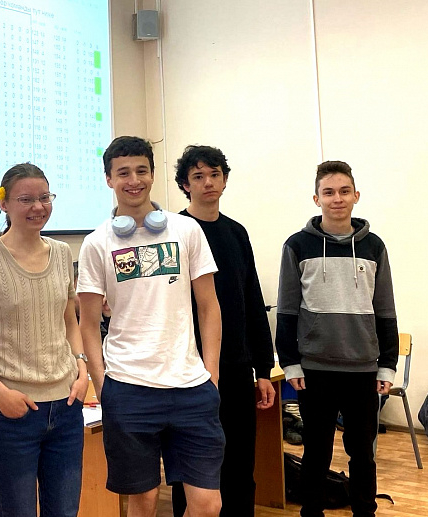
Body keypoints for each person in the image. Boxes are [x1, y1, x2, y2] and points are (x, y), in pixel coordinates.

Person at [77, 136, 225, 517]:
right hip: (129, 388)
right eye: (123, 173)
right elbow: (88, 323)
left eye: (141, 171)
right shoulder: (96, 243)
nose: (134, 180)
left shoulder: (186, 230)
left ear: (153, 174)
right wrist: (102, 384)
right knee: (143, 502)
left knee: (208, 505)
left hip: (191, 386)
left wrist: (212, 373)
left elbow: (209, 306)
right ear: (109, 179)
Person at [0, 163, 89, 517]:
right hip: (14, 413)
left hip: (67, 409)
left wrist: (82, 368)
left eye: (45, 197)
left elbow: (69, 320)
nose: (38, 207)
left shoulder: (62, 253)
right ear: (4, 204)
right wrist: (0, 393)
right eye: (26, 199)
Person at [276, 160, 398, 517]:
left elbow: (385, 309)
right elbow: (287, 309)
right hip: (315, 369)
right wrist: (290, 361)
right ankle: (311, 512)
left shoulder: (374, 246)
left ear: (356, 196)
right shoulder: (297, 245)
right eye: (328, 192)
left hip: (363, 369)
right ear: (317, 199)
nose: (337, 198)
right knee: (316, 452)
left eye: (344, 191)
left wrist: (387, 365)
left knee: (362, 453)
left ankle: (365, 511)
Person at [169, 145, 276, 517]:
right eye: (198, 176)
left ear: (225, 180)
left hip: (236, 366)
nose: (208, 183)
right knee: (193, 470)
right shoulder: (175, 232)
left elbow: (252, 301)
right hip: (189, 370)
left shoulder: (236, 232)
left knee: (240, 465)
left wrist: (264, 370)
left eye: (214, 174)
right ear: (185, 185)